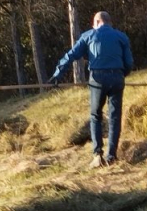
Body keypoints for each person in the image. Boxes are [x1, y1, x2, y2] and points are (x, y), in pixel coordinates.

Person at [48, 11, 133, 168]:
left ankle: (97, 155)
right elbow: (129, 63)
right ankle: (112, 156)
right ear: (109, 22)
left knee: (95, 116)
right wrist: (121, 75)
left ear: (97, 22)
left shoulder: (89, 35)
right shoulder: (122, 37)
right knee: (115, 117)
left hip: (97, 79)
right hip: (117, 78)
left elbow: (72, 55)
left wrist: (57, 74)